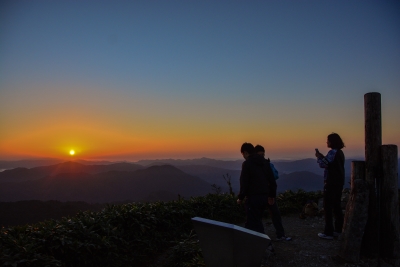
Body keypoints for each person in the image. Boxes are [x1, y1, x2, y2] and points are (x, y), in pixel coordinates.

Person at [237, 142, 277, 234]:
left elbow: (244, 183)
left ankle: (266, 245)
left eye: (243, 154)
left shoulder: (247, 164)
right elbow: (272, 181)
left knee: (254, 222)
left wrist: (240, 197)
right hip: (264, 197)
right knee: (255, 219)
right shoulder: (265, 162)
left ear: (246, 152)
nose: (243, 156)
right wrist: (271, 195)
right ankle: (250, 242)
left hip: (253, 198)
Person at [254, 145, 292, 241]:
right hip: (267, 193)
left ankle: (259, 238)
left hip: (261, 194)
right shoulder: (268, 164)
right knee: (275, 214)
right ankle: (280, 235)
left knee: (259, 217)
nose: (261, 157)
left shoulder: (253, 165)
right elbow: (275, 177)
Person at [315, 133, 345, 240]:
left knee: (327, 207)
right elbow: (330, 163)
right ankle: (338, 230)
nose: (327, 142)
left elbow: (324, 164)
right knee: (336, 206)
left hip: (331, 183)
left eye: (328, 140)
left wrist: (319, 158)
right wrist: (322, 156)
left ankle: (328, 232)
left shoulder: (332, 152)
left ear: (332, 141)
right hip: (339, 182)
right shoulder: (340, 152)